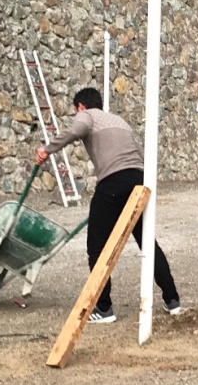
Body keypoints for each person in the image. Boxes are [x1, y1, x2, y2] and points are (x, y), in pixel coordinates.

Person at [37, 87, 181, 324]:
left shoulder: (87, 115)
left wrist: (47, 149)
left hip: (113, 183)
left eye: (76, 110)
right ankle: (172, 300)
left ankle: (104, 308)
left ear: (80, 106)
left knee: (97, 246)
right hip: (138, 181)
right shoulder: (119, 120)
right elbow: (141, 153)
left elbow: (77, 130)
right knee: (147, 241)